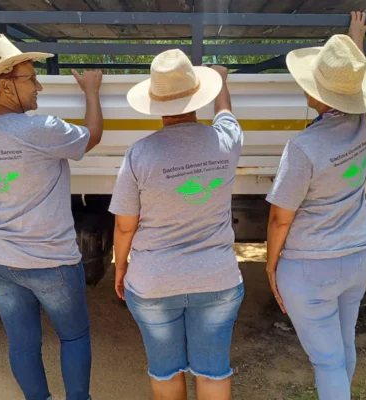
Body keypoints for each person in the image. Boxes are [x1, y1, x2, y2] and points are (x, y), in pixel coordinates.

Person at [0, 34, 103, 400]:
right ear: (5, 84)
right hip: (49, 261)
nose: (38, 85)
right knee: (74, 335)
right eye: (30, 78)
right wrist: (92, 91)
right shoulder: (40, 128)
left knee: (22, 343)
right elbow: (92, 137)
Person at [109, 49, 243, 400]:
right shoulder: (226, 141)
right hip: (217, 278)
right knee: (213, 372)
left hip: (154, 280)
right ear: (199, 96)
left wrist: (120, 267)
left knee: (165, 371)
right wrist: (222, 80)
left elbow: (125, 226)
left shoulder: (140, 153)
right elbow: (226, 114)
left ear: (156, 104)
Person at [265, 12, 366, 400]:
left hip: (314, 264)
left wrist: (271, 266)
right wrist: (353, 43)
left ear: (315, 94)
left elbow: (281, 217)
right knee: (342, 344)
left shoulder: (303, 148)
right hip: (361, 253)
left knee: (327, 360)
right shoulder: (365, 122)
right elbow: (356, 88)